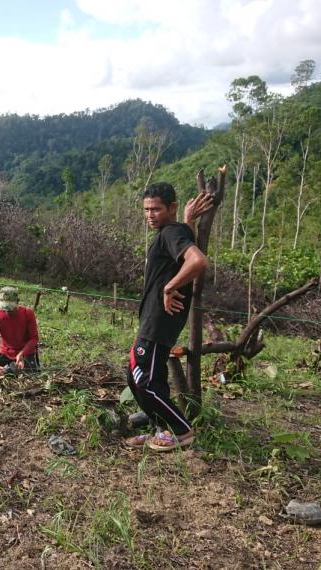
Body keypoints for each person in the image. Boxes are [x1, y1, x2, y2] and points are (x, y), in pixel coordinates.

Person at [125, 182, 213, 452]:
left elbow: (197, 261)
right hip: (154, 320)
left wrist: (169, 287)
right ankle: (160, 426)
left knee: (144, 380)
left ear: (171, 207)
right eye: (146, 210)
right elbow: (185, 249)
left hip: (159, 321)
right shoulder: (174, 231)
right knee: (137, 374)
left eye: (156, 209)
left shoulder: (169, 231)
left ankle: (181, 431)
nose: (150, 215)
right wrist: (188, 222)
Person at [0, 286, 40, 375]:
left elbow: (34, 339)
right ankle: (10, 368)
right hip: (6, 352)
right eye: (4, 307)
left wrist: (22, 354)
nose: (7, 310)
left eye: (10, 307)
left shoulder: (28, 313)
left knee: (30, 374)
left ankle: (13, 368)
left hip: (26, 351)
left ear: (17, 301)